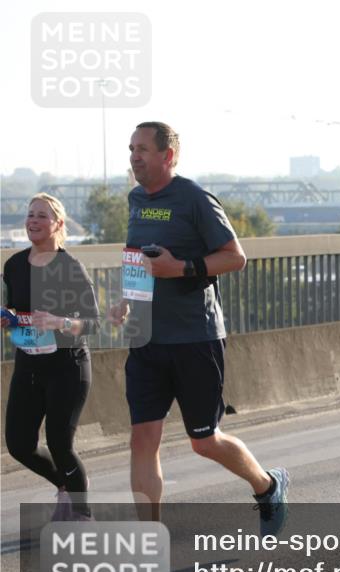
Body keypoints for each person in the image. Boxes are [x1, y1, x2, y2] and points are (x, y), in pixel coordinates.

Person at [108, 122, 289, 534]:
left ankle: (266, 486)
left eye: (143, 150)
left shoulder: (194, 198)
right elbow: (139, 257)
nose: (135, 156)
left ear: (167, 156)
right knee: (142, 440)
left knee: (204, 441)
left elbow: (235, 257)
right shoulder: (137, 200)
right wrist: (126, 299)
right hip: (147, 338)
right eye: (131, 148)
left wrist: (181, 268)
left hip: (195, 337)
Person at [2, 194, 100, 520]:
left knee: (60, 444)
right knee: (19, 445)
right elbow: (20, 309)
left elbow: (93, 323)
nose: (33, 221)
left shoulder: (70, 267)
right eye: (30, 215)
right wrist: (9, 317)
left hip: (67, 367)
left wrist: (61, 322)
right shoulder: (14, 265)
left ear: (58, 224)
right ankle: (65, 485)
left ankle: (82, 516)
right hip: (29, 364)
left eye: (42, 216)